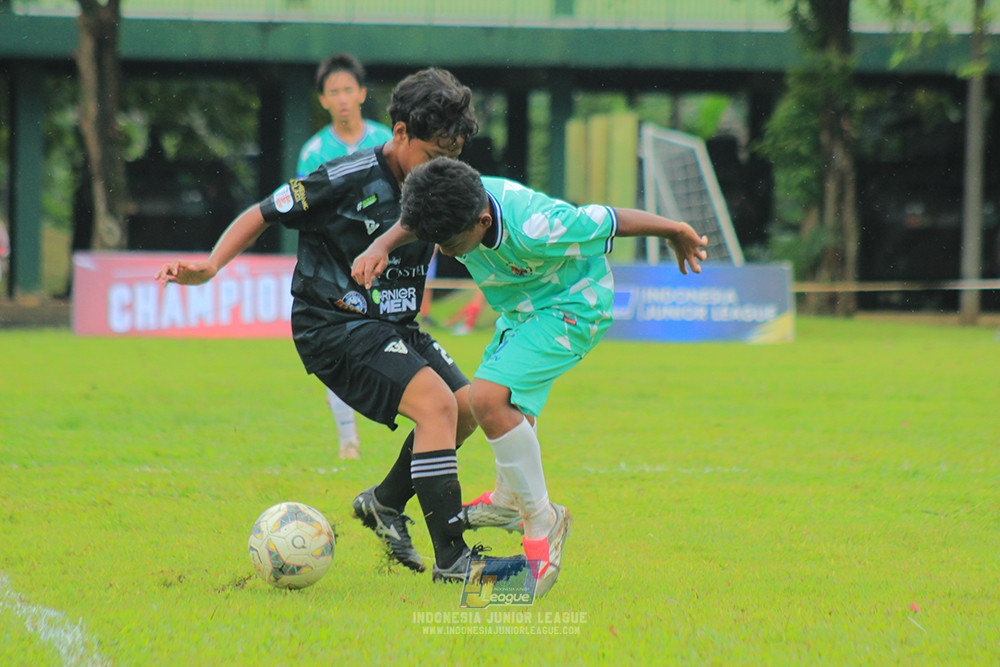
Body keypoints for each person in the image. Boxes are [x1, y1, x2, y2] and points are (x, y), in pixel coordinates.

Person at [156, 70, 523, 583]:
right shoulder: (345, 177)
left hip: (394, 322)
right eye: (434, 156)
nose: (444, 168)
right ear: (398, 135)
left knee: (465, 407)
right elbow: (264, 212)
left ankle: (384, 502)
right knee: (437, 406)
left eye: (452, 158)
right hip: (333, 322)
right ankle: (454, 561)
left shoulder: (439, 186)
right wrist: (212, 266)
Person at [352, 156, 708, 596]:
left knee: (485, 398)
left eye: (448, 242)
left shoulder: (539, 226)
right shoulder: (456, 201)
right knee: (504, 405)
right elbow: (415, 220)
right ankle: (507, 500)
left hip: (573, 307)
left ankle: (543, 518)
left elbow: (611, 219)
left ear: (482, 220)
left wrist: (674, 229)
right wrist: (382, 245)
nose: (442, 251)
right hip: (521, 312)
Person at [297, 53, 394, 461]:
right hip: (339, 264)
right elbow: (307, 210)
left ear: (362, 93)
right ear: (322, 100)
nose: (341, 98)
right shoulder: (313, 151)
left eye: (347, 90)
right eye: (333, 91)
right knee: (341, 346)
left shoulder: (386, 139)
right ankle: (348, 438)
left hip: (386, 261)